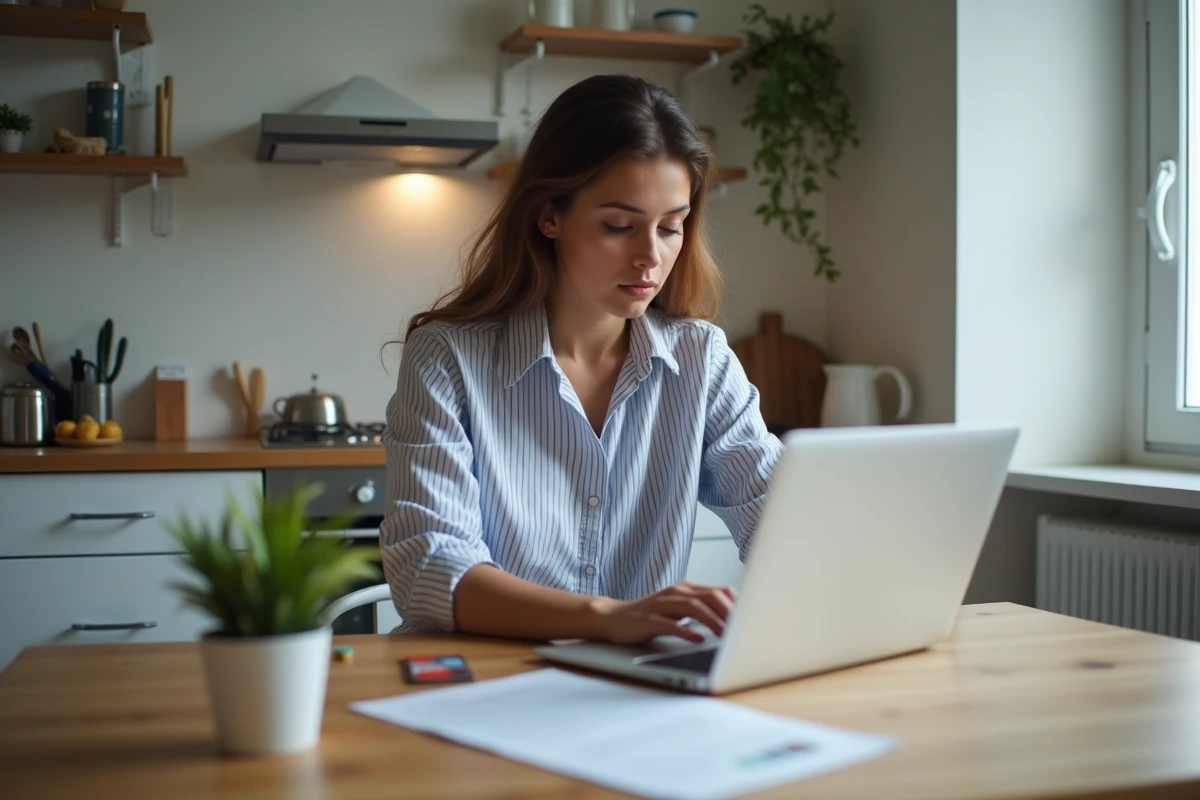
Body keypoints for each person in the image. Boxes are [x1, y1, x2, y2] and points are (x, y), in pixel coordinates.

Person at [381, 74, 782, 645]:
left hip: (631, 692)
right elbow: (430, 567)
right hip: (479, 685)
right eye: (619, 226)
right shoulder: (448, 358)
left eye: (671, 227)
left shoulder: (701, 359)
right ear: (550, 216)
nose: (651, 256)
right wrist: (607, 617)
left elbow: (777, 513)